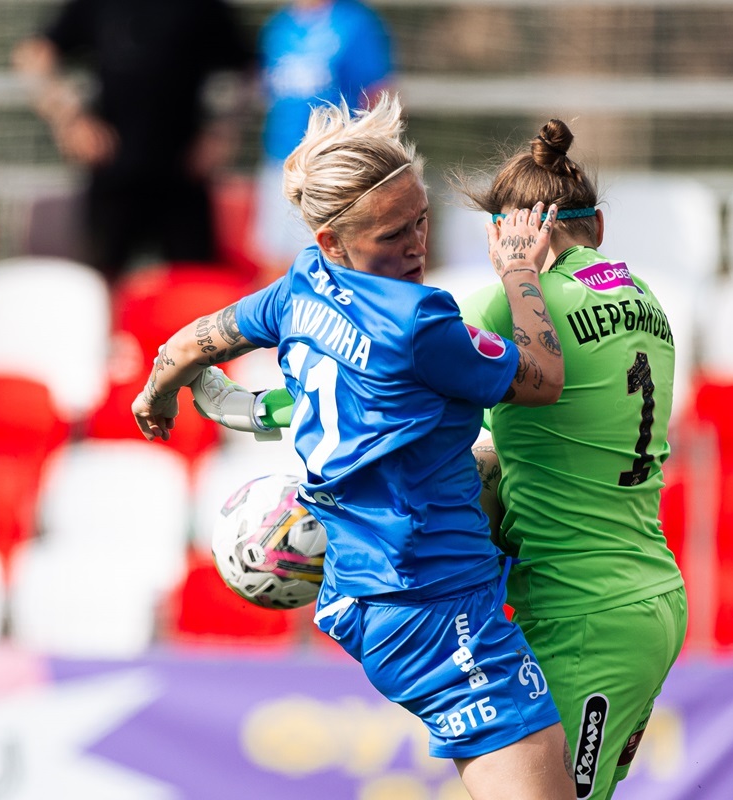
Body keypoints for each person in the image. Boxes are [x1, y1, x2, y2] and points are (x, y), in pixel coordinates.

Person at [195, 119, 689, 800]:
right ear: (597, 226)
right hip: (651, 591)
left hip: (581, 610)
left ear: (505, 234)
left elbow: (392, 394)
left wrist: (269, 410)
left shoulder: (510, 305)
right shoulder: (649, 302)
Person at [134, 93, 574, 800]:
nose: (415, 245)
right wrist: (521, 271)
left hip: (370, 593)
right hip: (429, 605)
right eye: (392, 233)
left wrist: (158, 392)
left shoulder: (298, 289)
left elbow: (194, 341)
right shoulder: (419, 320)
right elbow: (543, 379)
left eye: (421, 220)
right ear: (334, 241)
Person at [12, 0, 256, 286]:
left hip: (183, 176)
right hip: (112, 171)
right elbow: (33, 55)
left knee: (195, 290)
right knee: (97, 286)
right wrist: (71, 120)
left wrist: (221, 133)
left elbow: (249, 67)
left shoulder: (200, 6)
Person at [253, 0, 394, 275]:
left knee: (334, 259)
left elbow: (378, 95)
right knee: (275, 260)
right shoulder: (278, 26)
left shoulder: (355, 22)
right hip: (281, 161)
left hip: (332, 165)